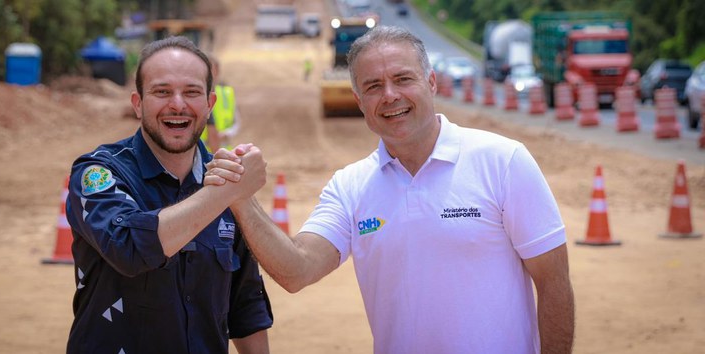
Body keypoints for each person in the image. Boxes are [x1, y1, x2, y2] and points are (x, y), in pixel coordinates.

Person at [206, 26, 575, 353]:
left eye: (403, 79)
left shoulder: (503, 161)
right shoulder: (351, 186)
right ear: (359, 101)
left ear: (431, 82)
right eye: (373, 86)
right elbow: (297, 270)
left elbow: (553, 282)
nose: (390, 95)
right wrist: (241, 198)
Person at [64, 36, 273, 354]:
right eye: (162, 92)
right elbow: (129, 247)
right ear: (138, 103)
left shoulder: (227, 183)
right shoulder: (98, 173)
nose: (178, 104)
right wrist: (225, 192)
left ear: (210, 104)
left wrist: (228, 190)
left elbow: (245, 306)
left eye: (191, 92)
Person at [202, 55, 241, 151]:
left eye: (211, 69)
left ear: (217, 71)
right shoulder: (194, 95)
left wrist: (227, 133)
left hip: (223, 153)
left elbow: (236, 122)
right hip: (199, 153)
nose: (209, 74)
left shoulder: (227, 93)